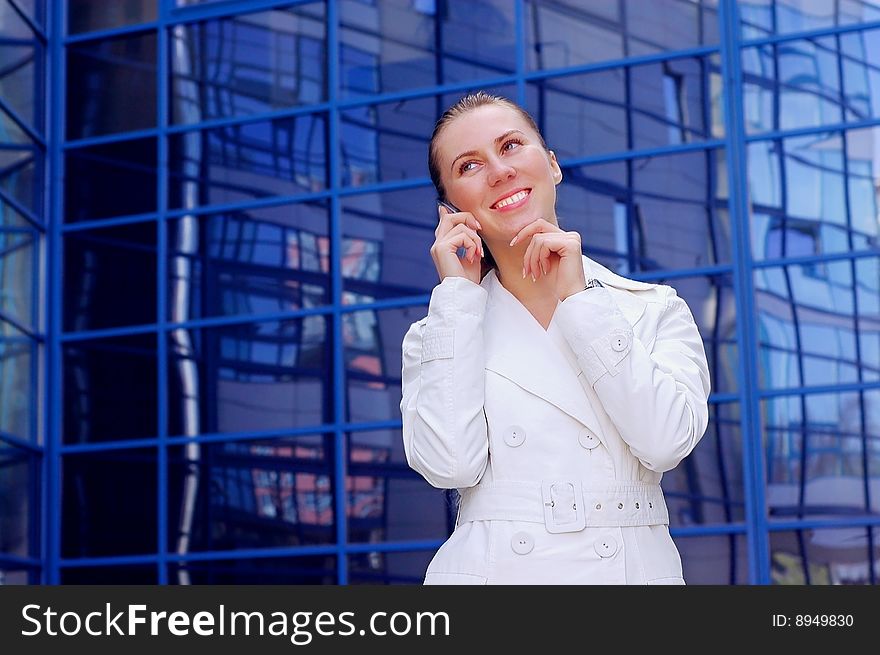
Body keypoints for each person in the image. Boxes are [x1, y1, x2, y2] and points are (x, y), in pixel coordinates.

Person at [400, 91, 711, 584]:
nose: (500, 171)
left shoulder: (652, 309)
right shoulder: (442, 330)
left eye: (511, 146)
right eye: (469, 165)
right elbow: (449, 465)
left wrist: (582, 303)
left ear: (552, 164)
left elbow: (666, 441)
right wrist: (456, 294)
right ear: (450, 209)